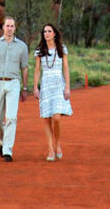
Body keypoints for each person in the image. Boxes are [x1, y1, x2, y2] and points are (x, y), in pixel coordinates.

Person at [0, 16, 29, 162]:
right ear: (3, 27)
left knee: (11, 117)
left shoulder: (22, 46)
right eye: (7, 26)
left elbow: (24, 68)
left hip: (13, 83)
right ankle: (3, 143)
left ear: (15, 28)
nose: (10, 29)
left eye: (12, 26)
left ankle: (7, 150)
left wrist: (25, 87)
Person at [33, 22, 72, 161]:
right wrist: (35, 87)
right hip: (45, 85)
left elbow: (66, 67)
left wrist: (67, 86)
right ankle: (50, 149)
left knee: (56, 117)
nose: (47, 33)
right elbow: (37, 69)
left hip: (58, 84)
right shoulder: (39, 50)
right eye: (45, 32)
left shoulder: (62, 49)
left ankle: (58, 143)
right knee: (46, 118)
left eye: (49, 31)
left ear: (54, 34)